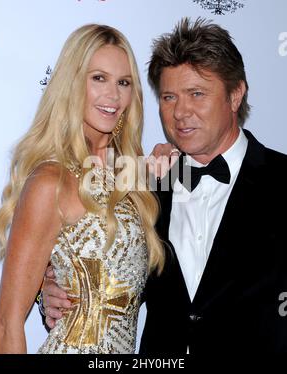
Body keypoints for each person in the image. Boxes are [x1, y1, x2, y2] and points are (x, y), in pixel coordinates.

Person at [40, 17, 287, 353]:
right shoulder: (143, 185)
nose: (180, 112)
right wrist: (49, 286)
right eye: (169, 97)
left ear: (235, 94)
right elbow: (97, 258)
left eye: (196, 93)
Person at [0, 24, 164, 354]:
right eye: (98, 78)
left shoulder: (130, 177)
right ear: (73, 83)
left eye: (123, 82)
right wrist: (43, 286)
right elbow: (5, 323)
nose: (113, 95)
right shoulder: (51, 181)